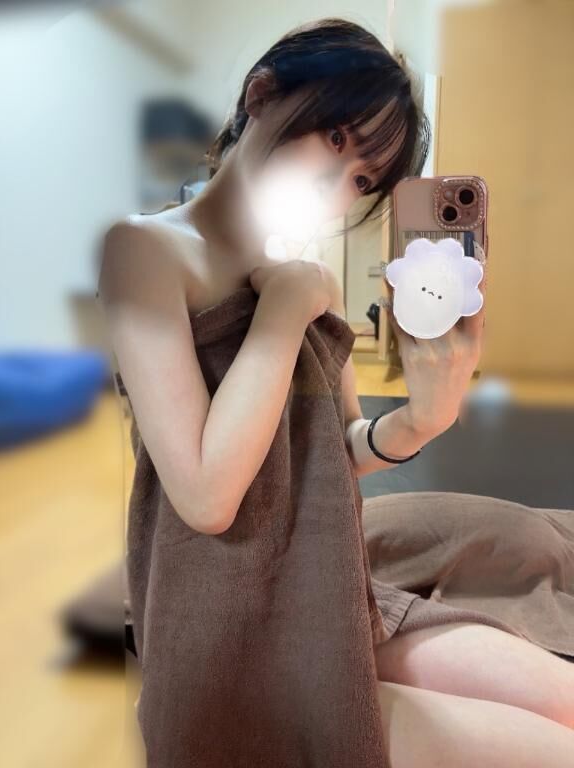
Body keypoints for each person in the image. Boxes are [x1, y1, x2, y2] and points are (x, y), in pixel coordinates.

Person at [98, 17, 574, 767]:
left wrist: (419, 421)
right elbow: (205, 495)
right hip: (234, 637)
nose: (339, 188)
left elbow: (336, 449)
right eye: (337, 138)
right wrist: (284, 311)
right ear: (261, 94)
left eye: (363, 180)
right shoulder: (145, 250)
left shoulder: (306, 277)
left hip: (331, 589)